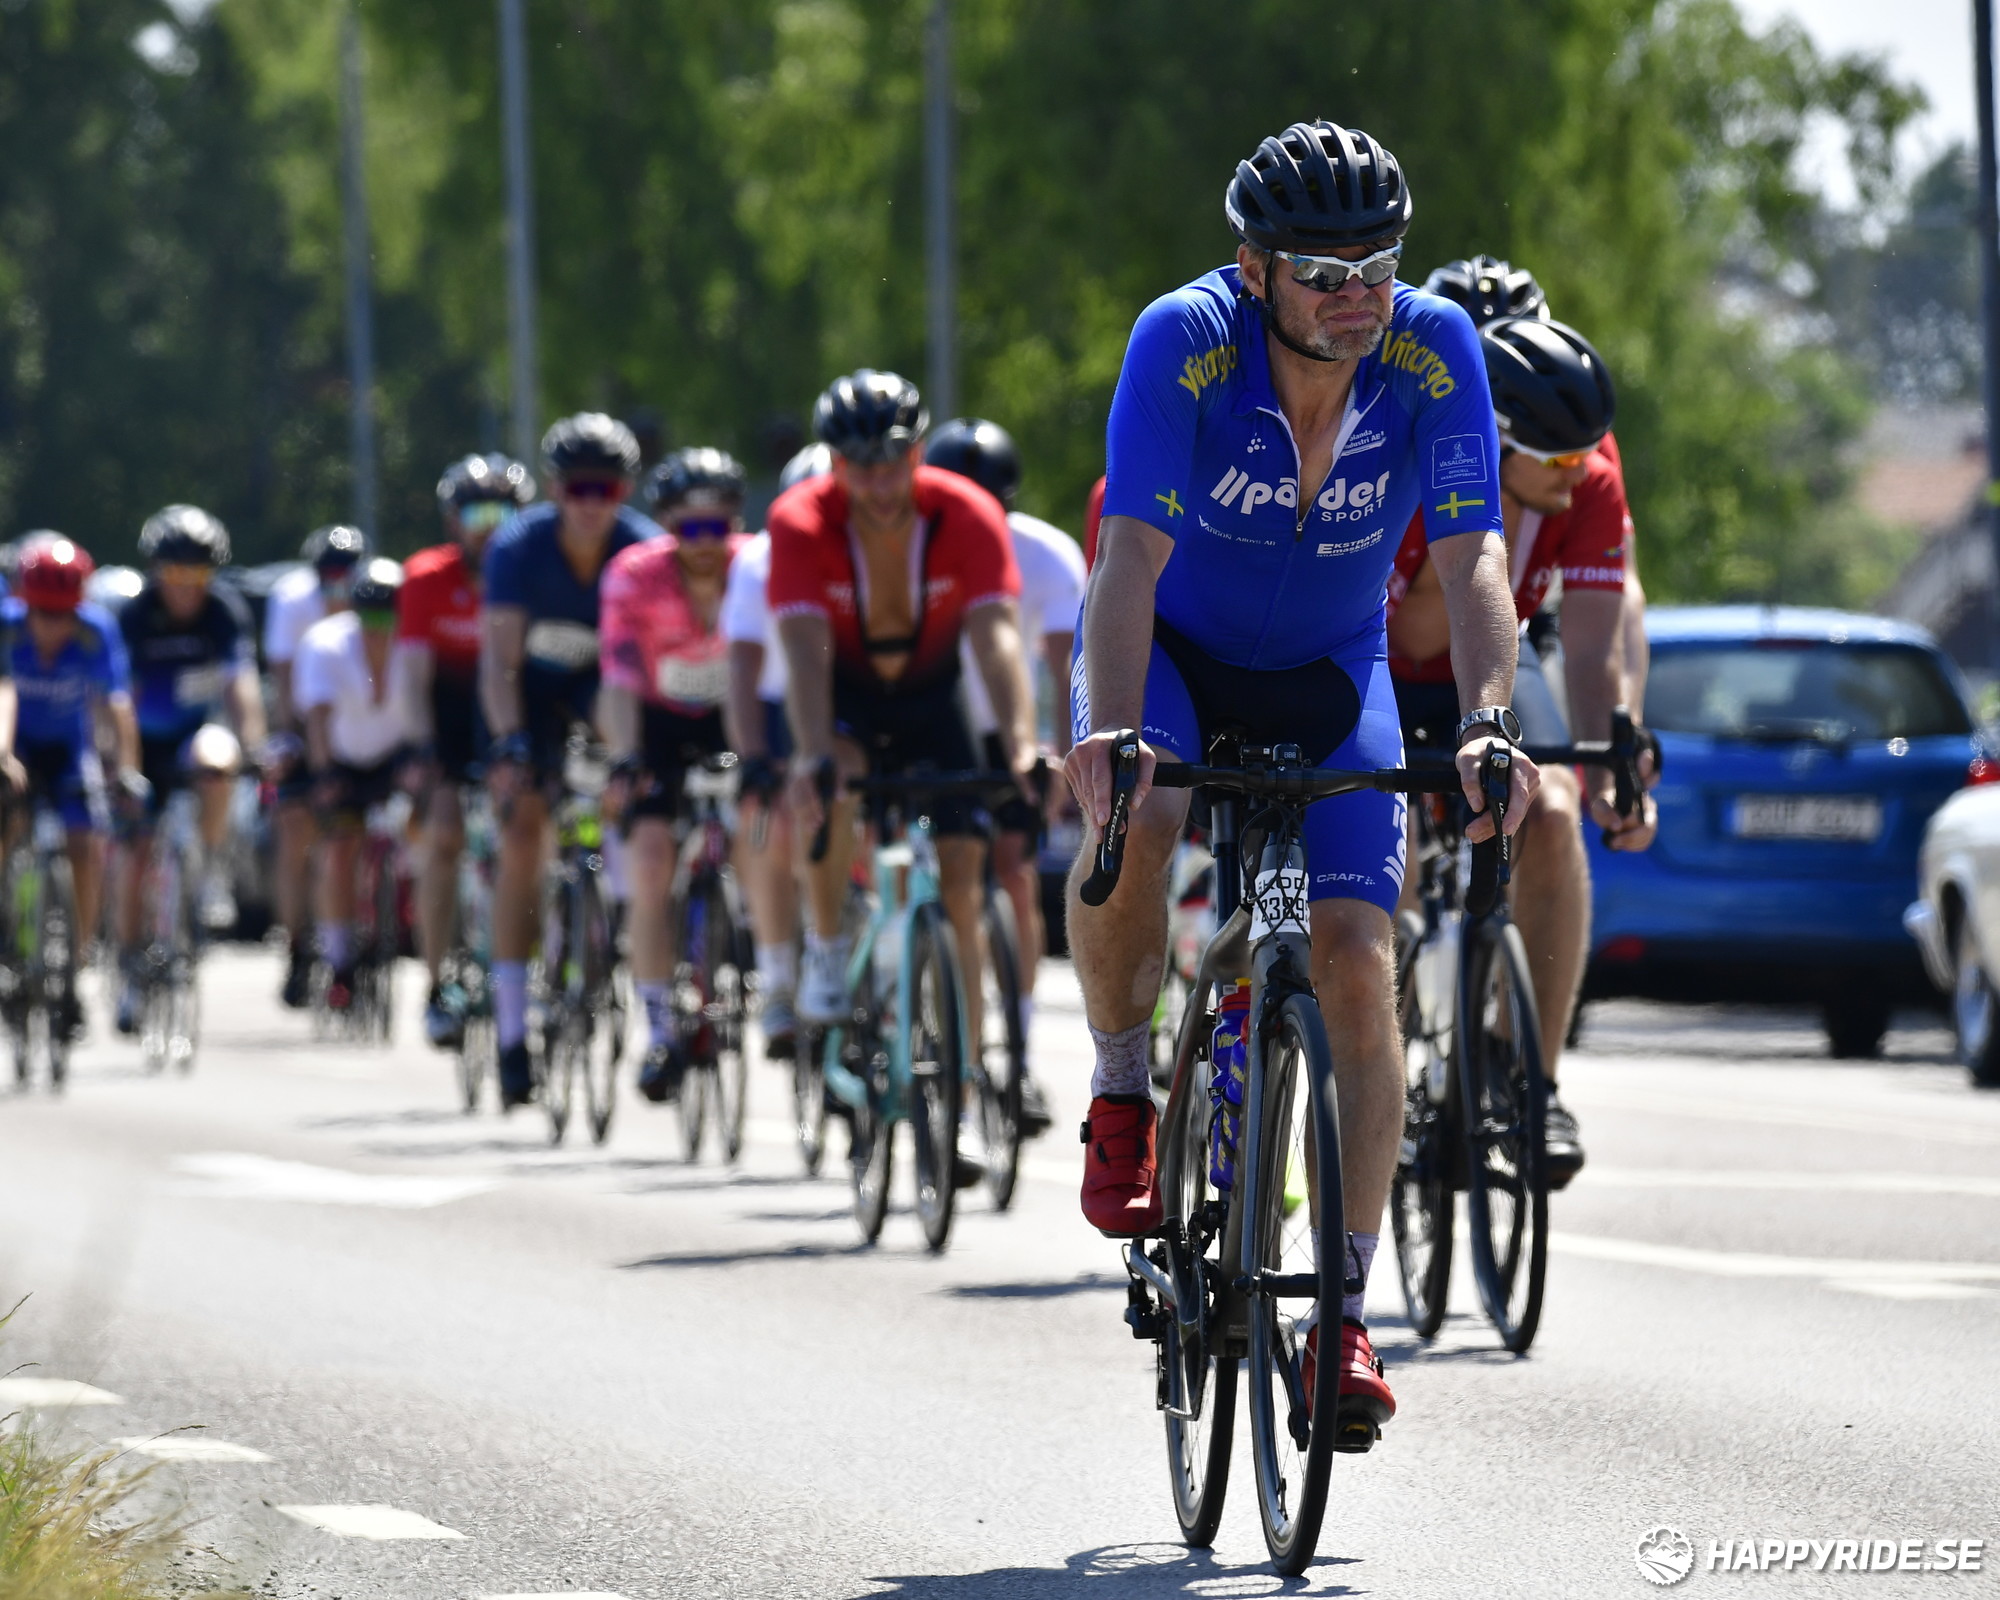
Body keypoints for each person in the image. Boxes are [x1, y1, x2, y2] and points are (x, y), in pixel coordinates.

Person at [1063, 120, 1537, 1441]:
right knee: (1141, 817)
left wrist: (1487, 722)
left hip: (1333, 672)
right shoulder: (1183, 341)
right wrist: (1112, 732)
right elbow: (1126, 561)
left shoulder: (1434, 350)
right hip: (1174, 659)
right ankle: (1120, 1089)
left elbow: (1472, 558)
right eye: (1322, 273)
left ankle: (1341, 1312)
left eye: (1377, 266)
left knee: (1356, 960)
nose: (1355, 296)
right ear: (1254, 269)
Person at [1385, 315, 1657, 1185]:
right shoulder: (1421, 466)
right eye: (1560, 458)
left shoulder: (1589, 484)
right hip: (1386, 664)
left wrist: (1609, 764)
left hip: (1495, 663)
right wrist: (1480, 530)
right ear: (1495, 443)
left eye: (1589, 452)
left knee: (1556, 811)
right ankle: (1381, 1064)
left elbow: (1591, 649)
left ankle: (1532, 1079)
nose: (1582, 472)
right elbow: (1414, 632)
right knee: (1384, 847)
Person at [770, 370, 1038, 1077]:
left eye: (892, 464)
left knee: (963, 880)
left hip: (932, 696)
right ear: (835, 463)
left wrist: (1019, 744)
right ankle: (828, 947)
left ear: (918, 453)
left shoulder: (968, 511)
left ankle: (966, 1075)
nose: (880, 485)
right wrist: (811, 750)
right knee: (833, 785)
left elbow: (997, 637)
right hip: (846, 698)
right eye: (861, 468)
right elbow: (803, 650)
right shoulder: (799, 520)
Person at [480, 413, 653, 1107]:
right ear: (554, 489)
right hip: (526, 692)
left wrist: (634, 755)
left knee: (630, 764)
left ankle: (618, 902)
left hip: (598, 688)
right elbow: (499, 664)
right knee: (523, 834)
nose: (590, 503)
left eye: (605, 489)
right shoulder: (517, 548)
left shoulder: (641, 548)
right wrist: (509, 741)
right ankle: (511, 1033)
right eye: (578, 487)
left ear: (624, 491)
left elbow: (639, 669)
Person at [924, 416, 1086, 1136]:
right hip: (937, 720)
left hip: (1009, 730)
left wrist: (1065, 760)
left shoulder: (1044, 555)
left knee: (1014, 874)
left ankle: (1017, 1052)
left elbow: (1065, 666)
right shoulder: (914, 545)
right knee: (943, 877)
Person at [601, 447, 747, 1102]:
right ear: (667, 526)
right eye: (691, 528)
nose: (706, 542)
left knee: (763, 828)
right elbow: (618, 676)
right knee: (651, 860)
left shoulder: (756, 566)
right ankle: (660, 1027)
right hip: (658, 720)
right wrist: (626, 755)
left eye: (719, 526)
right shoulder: (634, 575)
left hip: (733, 714)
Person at [115, 505, 265, 1033]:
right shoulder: (135, 616)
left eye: (196, 573)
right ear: (155, 570)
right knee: (134, 855)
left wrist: (254, 745)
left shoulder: (224, 612)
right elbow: (119, 701)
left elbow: (241, 685)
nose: (184, 585)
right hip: (141, 745)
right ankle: (128, 971)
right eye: (173, 572)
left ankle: (210, 871)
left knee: (218, 763)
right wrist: (121, 766)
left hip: (195, 737)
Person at [402, 453, 535, 1047]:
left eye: (502, 513)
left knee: (531, 838)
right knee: (443, 836)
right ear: (453, 521)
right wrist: (424, 748)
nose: (489, 527)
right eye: (476, 514)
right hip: (450, 716)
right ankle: (435, 983)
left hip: (512, 712)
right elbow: (411, 678)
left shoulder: (534, 568)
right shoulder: (427, 577)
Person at [0, 537, 142, 1037]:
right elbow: (2, 691)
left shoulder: (95, 632)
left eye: (63, 614)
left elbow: (117, 704)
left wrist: (127, 770)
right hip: (14, 747)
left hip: (68, 752)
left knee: (86, 846)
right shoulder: (7, 627)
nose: (52, 625)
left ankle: (75, 966)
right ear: (25, 603)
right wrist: (4, 754)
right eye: (42, 613)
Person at [719, 443, 829, 1062]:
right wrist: (754, 756)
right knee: (771, 823)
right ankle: (779, 981)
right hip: (776, 701)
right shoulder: (758, 560)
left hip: (847, 697)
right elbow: (741, 668)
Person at [293, 559, 416, 1012]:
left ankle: (410, 927)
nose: (379, 630)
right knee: (339, 848)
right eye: (371, 619)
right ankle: (340, 960)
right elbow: (318, 717)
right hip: (342, 758)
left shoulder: (414, 643)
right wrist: (325, 774)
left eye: (389, 618)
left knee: (421, 832)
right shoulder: (325, 644)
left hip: (397, 755)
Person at [266, 524, 369, 1008]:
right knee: (295, 829)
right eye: (328, 579)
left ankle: (351, 937)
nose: (337, 589)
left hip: (359, 725)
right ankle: (295, 945)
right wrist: (297, 746)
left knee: (345, 836)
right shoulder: (292, 601)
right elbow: (285, 684)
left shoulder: (377, 594)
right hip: (307, 723)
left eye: (346, 579)